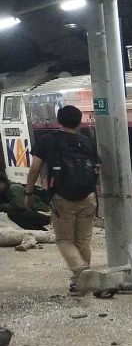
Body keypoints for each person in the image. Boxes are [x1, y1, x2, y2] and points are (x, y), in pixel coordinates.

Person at [24, 105, 100, 294]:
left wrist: (29, 193)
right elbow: (98, 168)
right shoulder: (87, 141)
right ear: (79, 121)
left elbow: (34, 169)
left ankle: (81, 270)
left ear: (59, 120)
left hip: (62, 198)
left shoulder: (48, 140)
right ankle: (79, 282)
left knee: (64, 240)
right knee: (83, 240)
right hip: (88, 196)